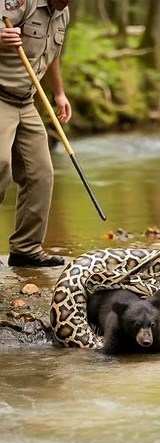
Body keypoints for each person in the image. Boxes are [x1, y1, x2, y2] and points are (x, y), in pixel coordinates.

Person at [0, 0, 71, 267]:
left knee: (40, 173)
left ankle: (25, 248)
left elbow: (52, 55)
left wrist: (60, 93)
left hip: (26, 100)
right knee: (0, 164)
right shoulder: (21, 3)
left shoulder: (63, 12)